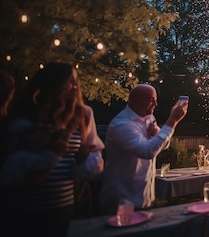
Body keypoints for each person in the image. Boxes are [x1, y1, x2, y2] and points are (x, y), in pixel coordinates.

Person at [0, 62, 100, 236]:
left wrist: (83, 161)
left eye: (76, 81)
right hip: (26, 207)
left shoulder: (78, 118)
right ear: (54, 83)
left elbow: (84, 161)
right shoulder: (25, 117)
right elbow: (14, 168)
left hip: (65, 206)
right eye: (70, 81)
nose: (76, 87)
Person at [99, 84, 188, 214]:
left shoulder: (149, 119)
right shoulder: (122, 125)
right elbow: (147, 151)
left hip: (145, 200)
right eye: (152, 100)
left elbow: (164, 145)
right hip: (122, 202)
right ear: (136, 100)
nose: (156, 104)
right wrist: (172, 120)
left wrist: (156, 134)